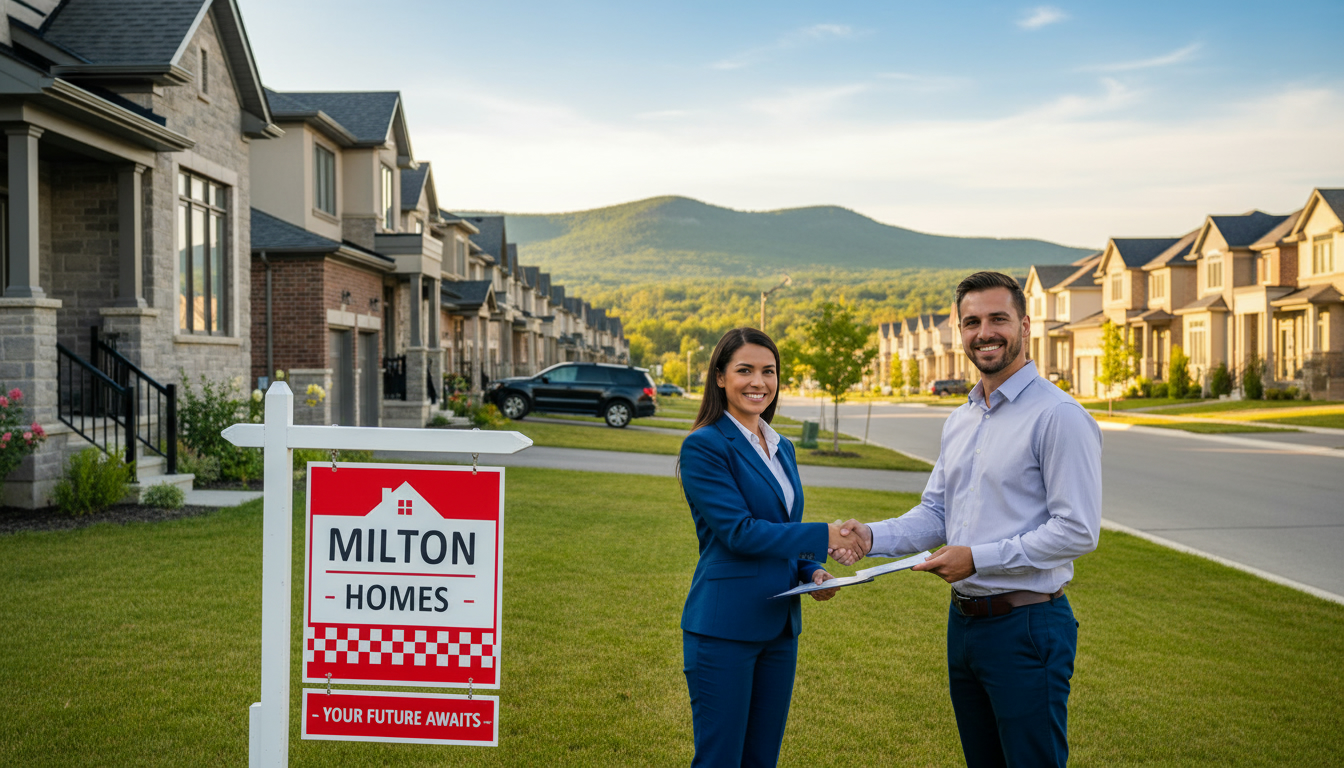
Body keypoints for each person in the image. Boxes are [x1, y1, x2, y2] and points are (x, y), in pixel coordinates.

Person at [832, 271, 1102, 768]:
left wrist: (977, 558)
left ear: (1024, 323)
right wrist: (871, 536)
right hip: (965, 626)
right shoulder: (961, 419)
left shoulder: (1058, 416)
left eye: (998, 318)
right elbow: (937, 512)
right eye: (972, 321)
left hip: (1027, 625)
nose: (985, 332)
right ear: (960, 331)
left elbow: (1077, 530)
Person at [678, 327, 863, 767]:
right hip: (724, 629)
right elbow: (740, 532)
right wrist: (826, 534)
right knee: (721, 759)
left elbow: (783, 528)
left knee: (762, 759)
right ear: (720, 377)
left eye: (768, 371)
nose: (758, 382)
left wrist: (811, 572)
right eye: (744, 370)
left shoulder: (783, 448)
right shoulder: (704, 446)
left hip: (780, 629)